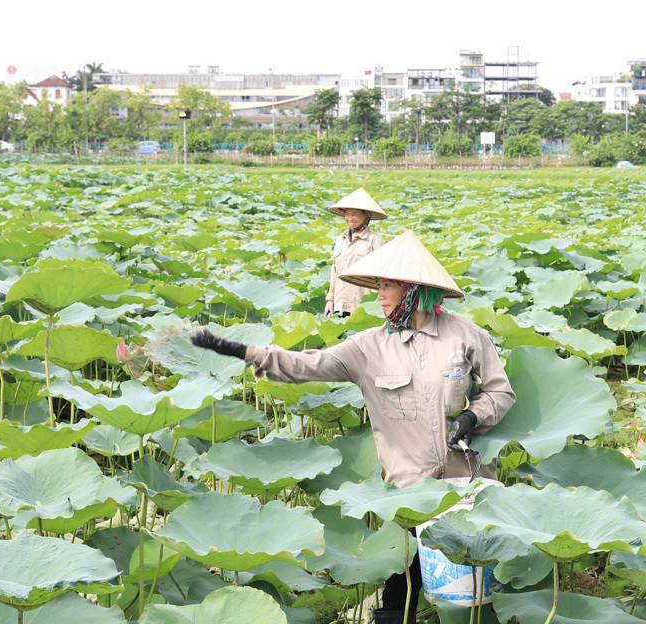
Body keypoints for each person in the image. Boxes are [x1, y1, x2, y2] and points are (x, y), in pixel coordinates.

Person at [191, 230, 515, 623]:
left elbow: (501, 392)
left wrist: (472, 416)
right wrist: (242, 351)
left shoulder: (466, 335)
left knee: (477, 585)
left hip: (464, 479)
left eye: (386, 285)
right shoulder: (366, 347)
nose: (378, 295)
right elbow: (306, 365)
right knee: (404, 580)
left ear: (413, 289)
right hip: (410, 487)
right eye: (376, 285)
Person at [324, 187, 387, 318]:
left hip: (363, 309)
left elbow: (384, 277)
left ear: (366, 215)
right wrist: (330, 299)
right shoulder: (340, 239)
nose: (349, 218)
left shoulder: (375, 241)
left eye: (354, 214)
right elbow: (335, 270)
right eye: (347, 214)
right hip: (340, 305)